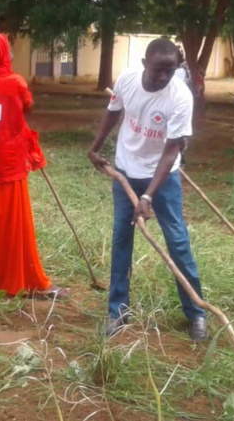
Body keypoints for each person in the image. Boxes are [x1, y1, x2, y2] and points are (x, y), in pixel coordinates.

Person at [88, 38, 207, 341]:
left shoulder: (180, 97)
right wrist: (95, 147)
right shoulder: (127, 80)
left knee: (177, 242)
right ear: (144, 64)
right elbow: (113, 111)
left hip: (162, 178)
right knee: (121, 240)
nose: (164, 77)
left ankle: (196, 313)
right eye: (157, 70)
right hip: (126, 171)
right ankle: (117, 311)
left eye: (171, 70)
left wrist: (147, 196)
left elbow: (171, 151)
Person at [0, 33, 67, 299]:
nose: (12, 54)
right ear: (1, 53)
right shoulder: (15, 82)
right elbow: (26, 106)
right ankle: (21, 278)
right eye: (8, 49)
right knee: (13, 223)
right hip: (6, 161)